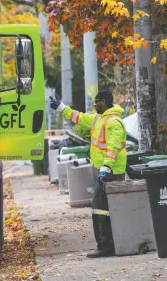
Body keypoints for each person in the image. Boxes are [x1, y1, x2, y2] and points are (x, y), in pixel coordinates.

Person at [50, 90, 127, 258]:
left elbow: (113, 148)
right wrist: (62, 108)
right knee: (104, 208)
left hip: (111, 172)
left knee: (100, 208)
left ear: (105, 102)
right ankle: (109, 244)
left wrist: (106, 167)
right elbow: (80, 118)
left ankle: (106, 246)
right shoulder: (99, 119)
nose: (94, 104)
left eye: (97, 101)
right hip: (104, 171)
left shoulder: (113, 122)